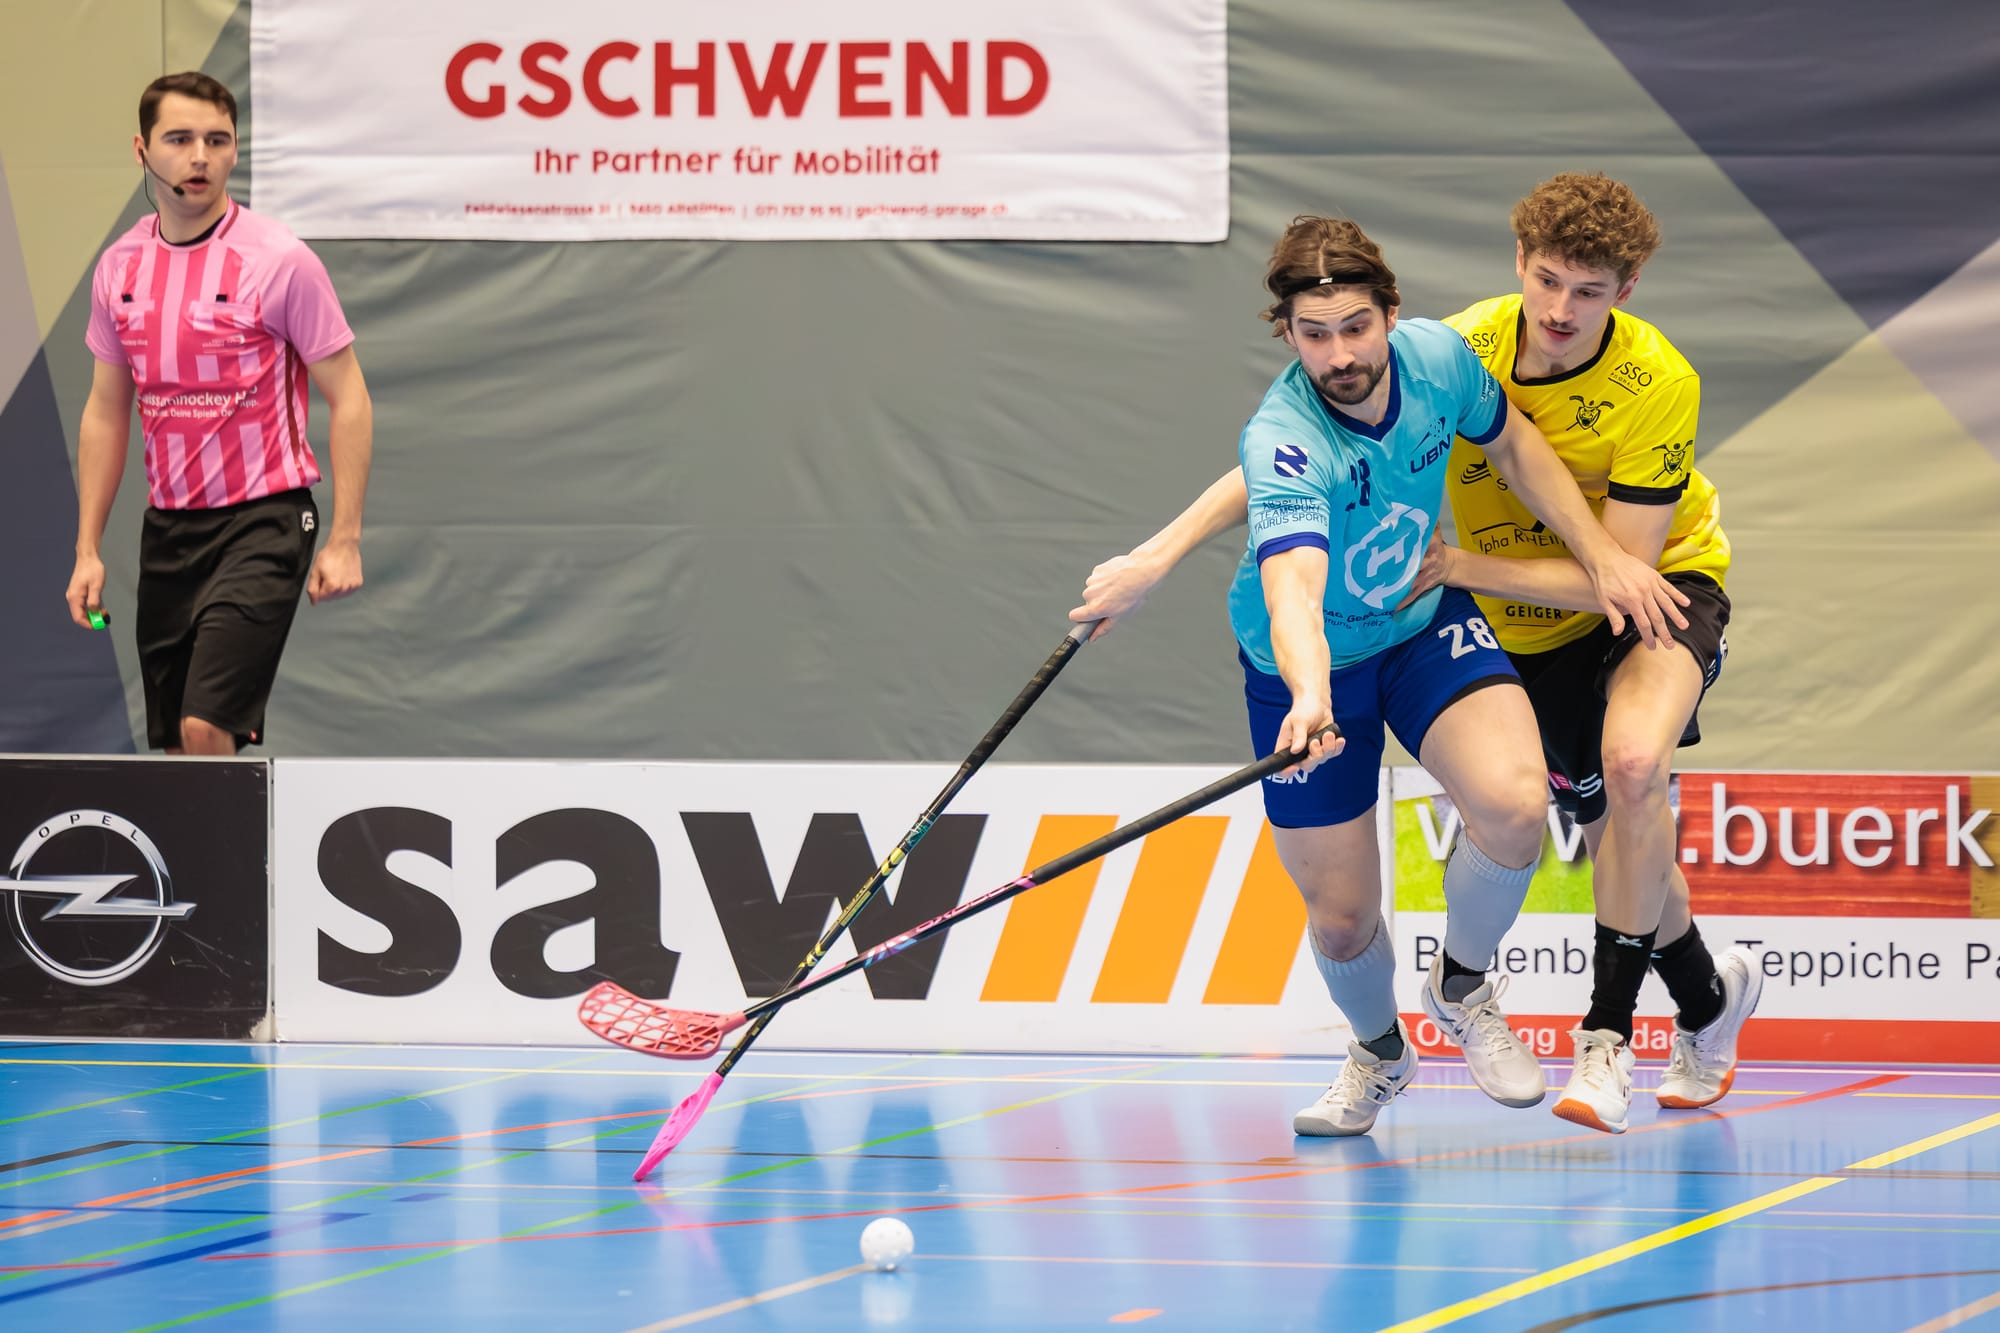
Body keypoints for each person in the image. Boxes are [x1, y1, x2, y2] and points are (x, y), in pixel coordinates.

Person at [1075, 176, 1760, 1136]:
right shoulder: (1304, 424)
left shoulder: (1449, 357)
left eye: (1357, 328)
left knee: (1562, 794)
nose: (1341, 354)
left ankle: (1496, 996)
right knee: (1345, 917)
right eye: (1316, 335)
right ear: (1286, 335)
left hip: (1465, 611)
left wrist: (1591, 556)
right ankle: (1381, 1052)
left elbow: (1518, 449)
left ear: (1390, 316)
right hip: (1335, 657)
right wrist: (1305, 685)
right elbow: (1291, 571)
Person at [66, 72, 373, 755]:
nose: (200, 157)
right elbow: (106, 413)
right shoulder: (118, 269)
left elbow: (349, 395)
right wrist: (87, 550)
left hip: (265, 520)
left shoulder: (281, 260)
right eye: (179, 139)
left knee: (206, 725)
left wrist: (345, 537)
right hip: (168, 531)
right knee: (179, 748)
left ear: (235, 150)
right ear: (142, 151)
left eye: (217, 140)